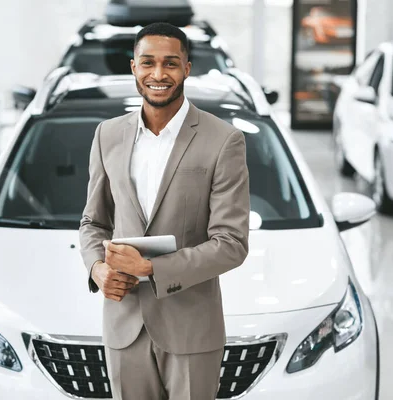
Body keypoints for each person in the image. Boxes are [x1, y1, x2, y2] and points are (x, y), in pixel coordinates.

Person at [79, 22, 250, 400]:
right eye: (148, 63)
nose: (158, 74)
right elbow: (94, 221)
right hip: (124, 325)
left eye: (170, 64)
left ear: (187, 68)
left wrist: (152, 269)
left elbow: (232, 243)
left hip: (190, 326)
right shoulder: (107, 134)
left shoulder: (223, 140)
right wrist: (97, 268)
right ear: (133, 68)